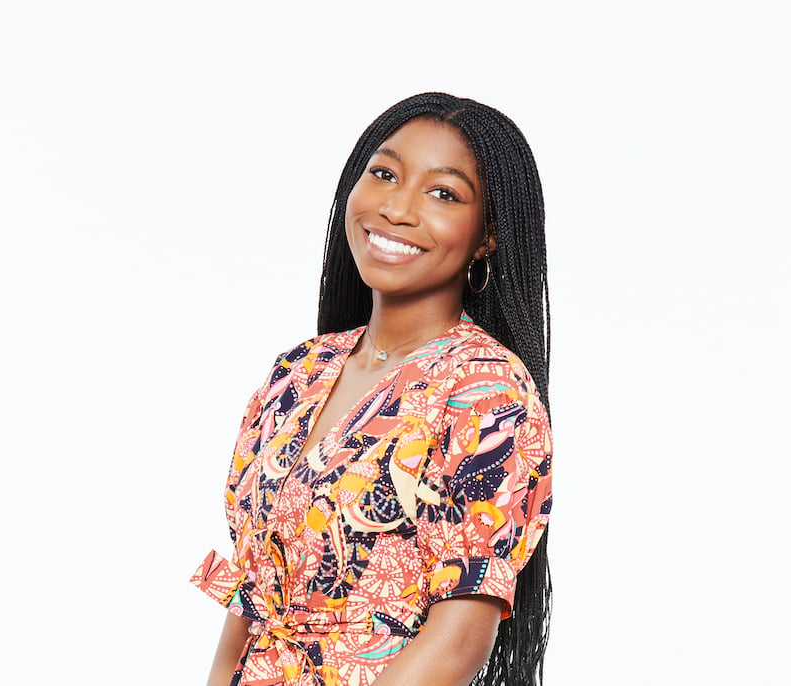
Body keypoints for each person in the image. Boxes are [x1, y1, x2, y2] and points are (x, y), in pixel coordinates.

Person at [191, 92, 554, 686]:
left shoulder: (486, 393)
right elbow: (251, 596)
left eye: (443, 193)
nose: (398, 208)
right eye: (384, 174)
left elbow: (460, 634)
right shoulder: (298, 373)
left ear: (487, 235)